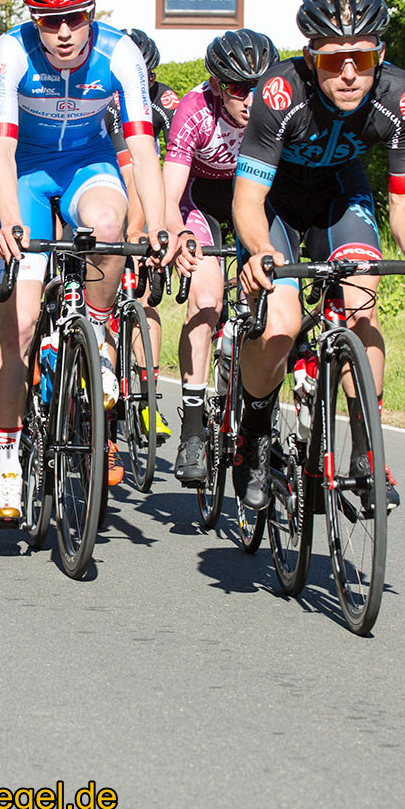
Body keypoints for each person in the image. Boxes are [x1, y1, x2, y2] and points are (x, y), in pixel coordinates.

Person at [232, 0, 405, 511]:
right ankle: (256, 429)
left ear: (381, 55)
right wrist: (261, 250)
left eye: (363, 57)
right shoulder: (279, 92)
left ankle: (365, 452)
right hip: (275, 205)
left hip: (340, 195)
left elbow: (404, 202)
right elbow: (246, 198)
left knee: (361, 304)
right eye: (333, 61)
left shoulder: (403, 97)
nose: (350, 73)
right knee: (281, 324)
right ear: (310, 59)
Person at [0, 0, 175, 522]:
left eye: (75, 17)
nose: (64, 33)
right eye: (49, 20)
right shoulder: (10, 51)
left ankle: (95, 325)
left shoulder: (121, 52)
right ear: (33, 20)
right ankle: (9, 464)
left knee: (111, 226)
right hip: (26, 170)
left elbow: (143, 150)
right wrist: (10, 216)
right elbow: (0, 149)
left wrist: (162, 223)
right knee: (17, 327)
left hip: (88, 165)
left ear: (93, 13)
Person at [163, 30, 279, 482]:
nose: (250, 99)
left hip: (256, 203)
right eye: (237, 88)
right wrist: (178, 237)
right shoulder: (193, 111)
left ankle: (255, 423)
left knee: (271, 312)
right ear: (216, 85)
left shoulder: (279, 106)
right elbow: (171, 195)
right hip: (203, 205)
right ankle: (193, 429)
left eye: (258, 84)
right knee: (207, 299)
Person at [105, 28, 180, 444]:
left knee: (145, 299)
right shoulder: (105, 101)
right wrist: (138, 226)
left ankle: (149, 399)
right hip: (101, 190)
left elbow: (173, 159)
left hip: (144, 196)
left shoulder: (163, 100)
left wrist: (161, 223)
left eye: (149, 76)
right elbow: (130, 169)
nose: (142, 82)